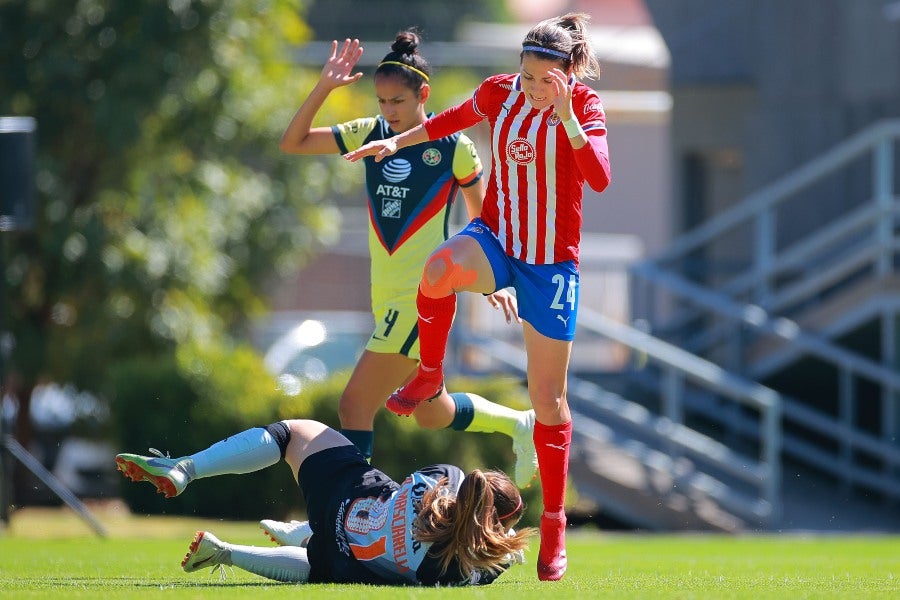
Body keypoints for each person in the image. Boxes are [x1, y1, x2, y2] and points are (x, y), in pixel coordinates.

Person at [344, 13, 610, 582]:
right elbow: (445, 122)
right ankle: (429, 373)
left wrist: (565, 118)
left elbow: (601, 177)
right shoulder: (499, 93)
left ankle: (556, 523)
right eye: (529, 77)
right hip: (497, 240)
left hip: (549, 266)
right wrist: (395, 141)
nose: (536, 89)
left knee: (548, 400)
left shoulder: (582, 107)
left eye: (547, 82)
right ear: (519, 67)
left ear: (566, 75)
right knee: (438, 269)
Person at [278, 31, 537, 487]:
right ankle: (520, 423)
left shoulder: (454, 146)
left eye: (397, 101)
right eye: (381, 101)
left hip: (421, 299)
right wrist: (324, 86)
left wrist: (494, 279)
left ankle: (346, 505)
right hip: (386, 298)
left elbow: (483, 221)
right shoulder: (369, 134)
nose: (388, 111)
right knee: (431, 413)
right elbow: (294, 143)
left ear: (424, 95)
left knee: (354, 405)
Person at [115, 420, 533, 586]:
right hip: (347, 554)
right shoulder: (458, 569)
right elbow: (483, 559)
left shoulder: (444, 480)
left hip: (350, 495)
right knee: (321, 567)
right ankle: (228, 550)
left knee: (293, 433)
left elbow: (442, 493)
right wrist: (505, 549)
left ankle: (187, 468)